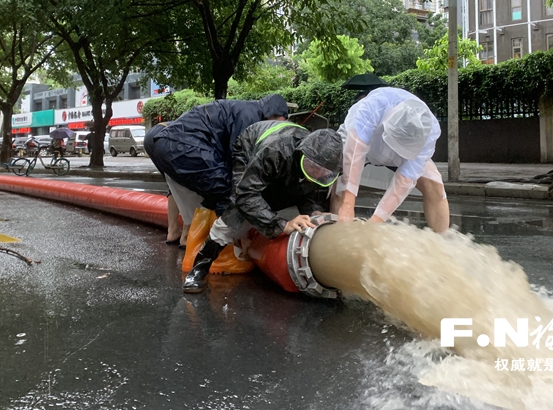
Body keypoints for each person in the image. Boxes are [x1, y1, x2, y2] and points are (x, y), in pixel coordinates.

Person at [183, 121, 343, 293]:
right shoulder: (275, 151)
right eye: (314, 167)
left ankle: (253, 232)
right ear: (302, 154)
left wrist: (314, 212)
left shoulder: (325, 168)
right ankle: (198, 269)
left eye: (324, 172)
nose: (318, 174)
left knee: (282, 196)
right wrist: (282, 224)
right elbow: (245, 194)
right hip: (250, 145)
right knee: (237, 214)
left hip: (284, 161)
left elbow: (311, 194)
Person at [144, 94, 290, 247]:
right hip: (181, 144)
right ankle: (227, 248)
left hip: (168, 144)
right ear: (273, 115)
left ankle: (190, 240)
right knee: (225, 191)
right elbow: (238, 164)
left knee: (211, 191)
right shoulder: (250, 118)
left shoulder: (247, 110)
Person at [331, 87, 449, 232]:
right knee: (340, 188)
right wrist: (348, 204)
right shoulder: (375, 105)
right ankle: (338, 236)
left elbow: (406, 179)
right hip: (361, 138)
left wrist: (375, 222)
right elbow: (354, 152)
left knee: (435, 187)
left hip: (403, 150)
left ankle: (442, 242)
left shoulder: (429, 132)